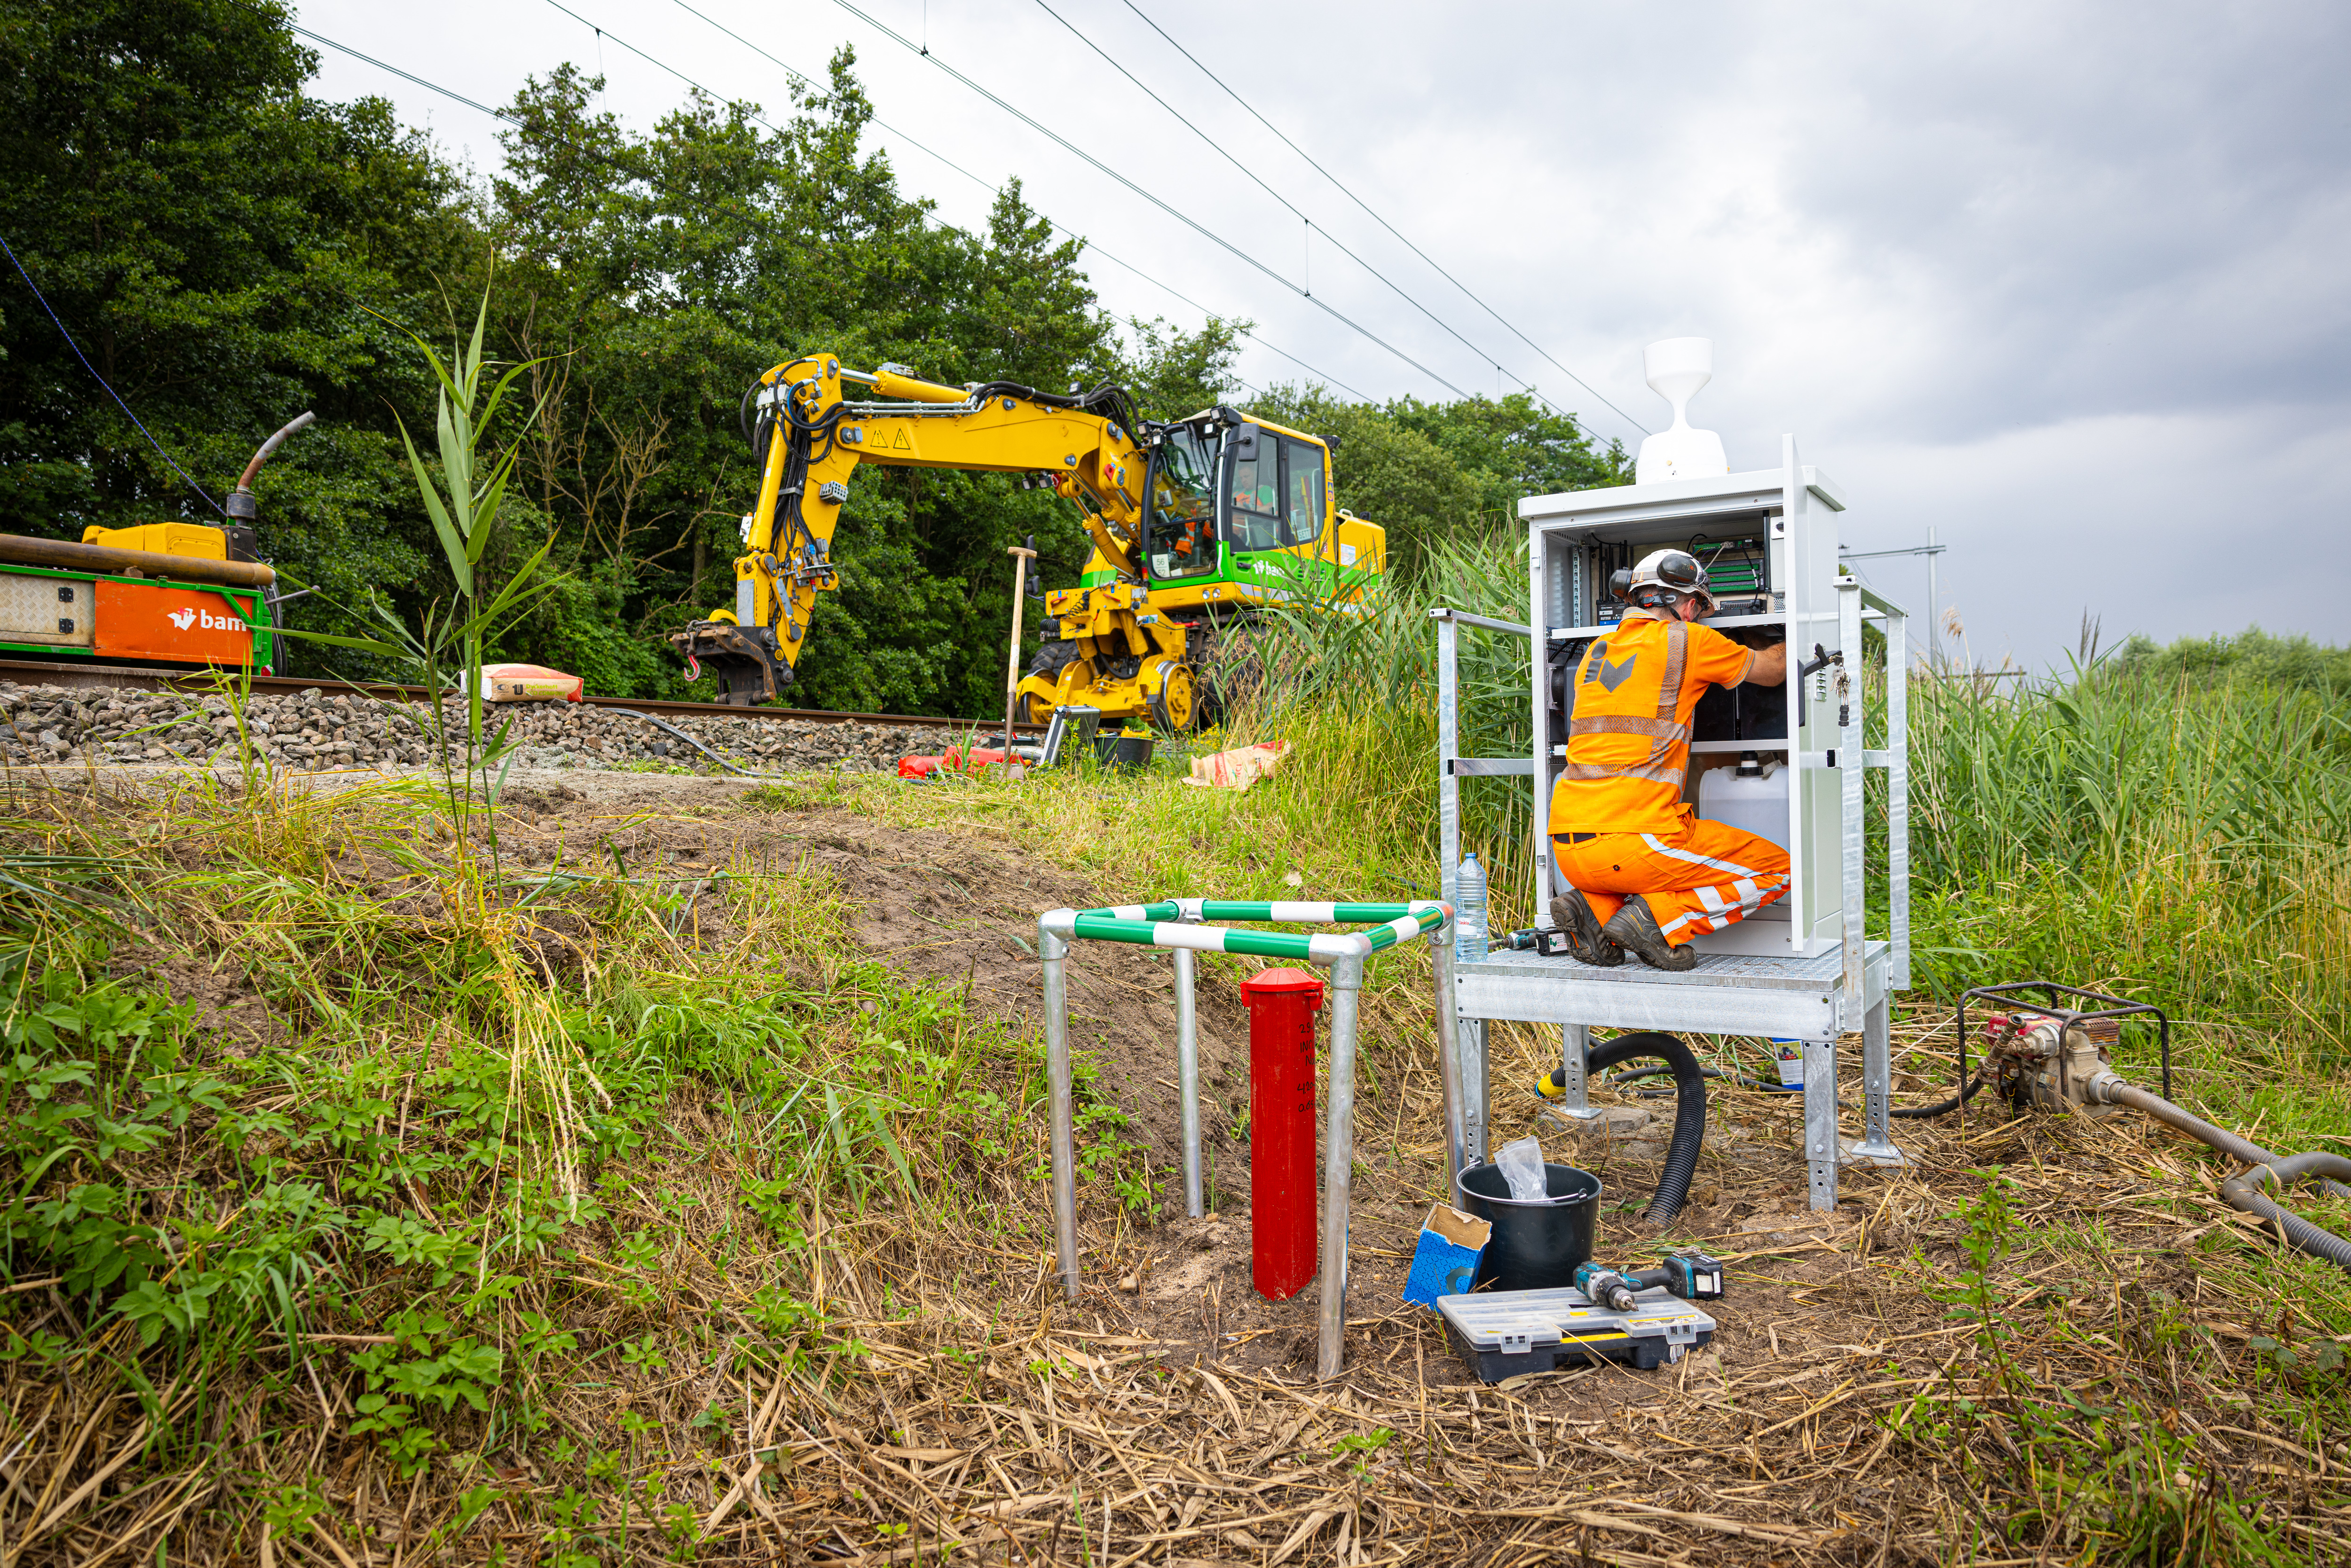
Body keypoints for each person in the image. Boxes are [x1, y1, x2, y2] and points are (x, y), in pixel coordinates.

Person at [1547, 548, 1790, 971]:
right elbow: (1774, 670)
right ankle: (1659, 921)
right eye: (1698, 608)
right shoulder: (1689, 639)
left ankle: (1591, 909)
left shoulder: (1596, 651)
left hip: (1569, 847)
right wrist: (1778, 632)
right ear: (1689, 605)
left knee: (1631, 876)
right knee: (1778, 869)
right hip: (1635, 839)